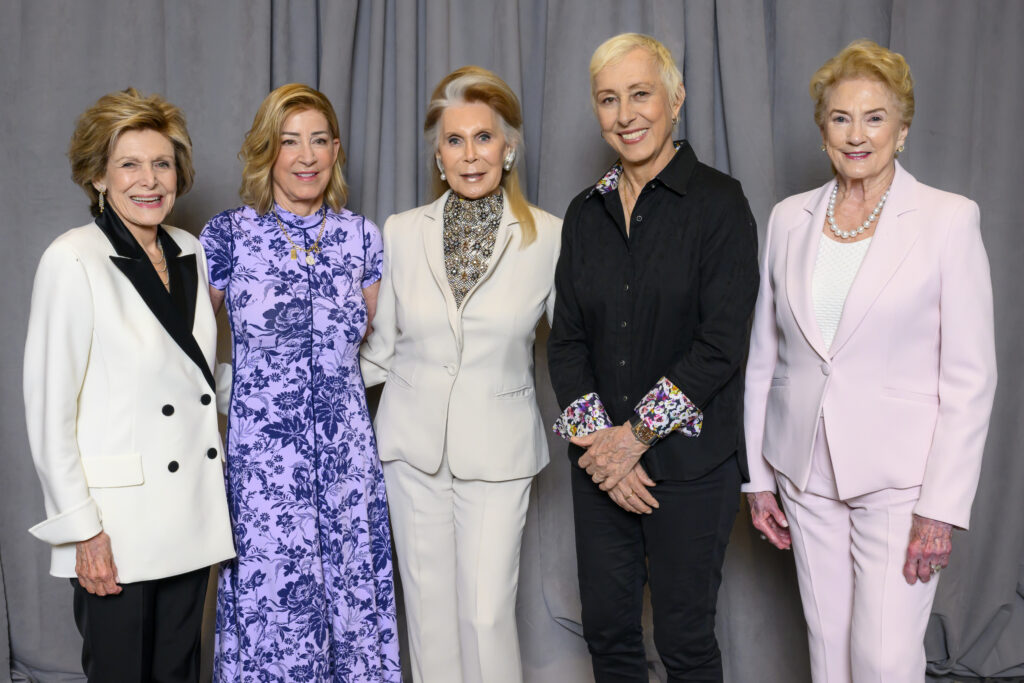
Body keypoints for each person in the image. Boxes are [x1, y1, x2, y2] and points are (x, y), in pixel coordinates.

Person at [743, 39, 997, 682]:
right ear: (823, 129)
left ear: (902, 129)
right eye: (841, 118)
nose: (857, 135)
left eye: (875, 117)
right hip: (803, 472)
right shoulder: (787, 219)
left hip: (899, 482)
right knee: (828, 655)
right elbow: (763, 360)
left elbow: (971, 377)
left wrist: (941, 504)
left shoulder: (947, 220)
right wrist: (757, 477)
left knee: (882, 660)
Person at [548, 33, 759, 682]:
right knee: (609, 634)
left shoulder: (721, 203)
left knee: (684, 638)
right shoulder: (585, 214)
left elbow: (722, 341)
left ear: (675, 97)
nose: (625, 113)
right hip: (601, 462)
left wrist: (635, 436)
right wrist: (602, 450)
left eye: (640, 94)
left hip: (692, 463)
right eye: (609, 100)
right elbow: (568, 342)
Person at [23, 88, 235, 682]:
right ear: (98, 176)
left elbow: (195, 378)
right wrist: (82, 529)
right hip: (116, 526)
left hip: (188, 514)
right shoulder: (74, 259)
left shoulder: (190, 252)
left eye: (162, 163)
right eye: (130, 164)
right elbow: (49, 413)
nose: (150, 180)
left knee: (178, 673)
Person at [360, 65, 561, 683]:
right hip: (410, 449)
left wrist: (622, 432)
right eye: (455, 140)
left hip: (498, 452)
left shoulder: (551, 236)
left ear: (508, 148)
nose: (470, 154)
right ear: (439, 156)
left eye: (483, 138)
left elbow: (578, 350)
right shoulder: (400, 232)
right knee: (427, 616)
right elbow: (380, 350)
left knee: (485, 616)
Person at [199, 83, 400, 682]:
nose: (306, 156)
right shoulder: (227, 236)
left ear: (336, 150)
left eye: (318, 141)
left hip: (346, 456)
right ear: (268, 151)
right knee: (274, 605)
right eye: (290, 142)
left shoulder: (363, 238)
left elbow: (376, 345)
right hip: (264, 463)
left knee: (353, 601)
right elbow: (186, 350)